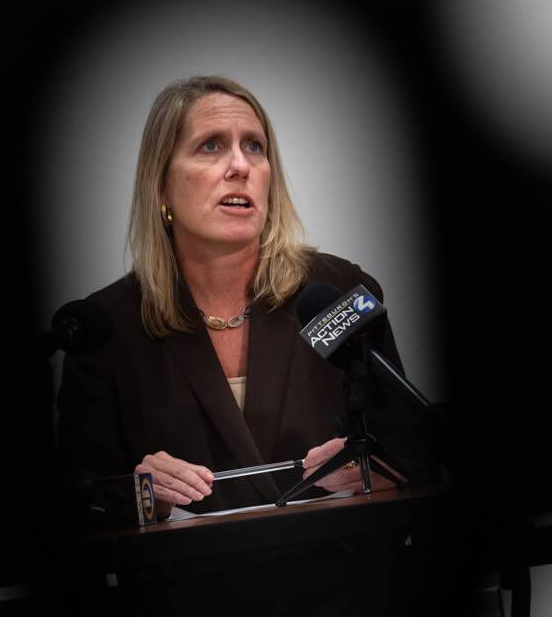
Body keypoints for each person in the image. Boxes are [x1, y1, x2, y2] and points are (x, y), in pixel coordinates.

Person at [55, 73, 424, 519]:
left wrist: (381, 473)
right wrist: (139, 495)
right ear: (161, 186)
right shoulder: (105, 327)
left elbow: (419, 453)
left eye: (254, 146)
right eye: (210, 145)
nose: (241, 166)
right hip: (191, 583)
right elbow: (78, 502)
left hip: (346, 575)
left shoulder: (339, 291)